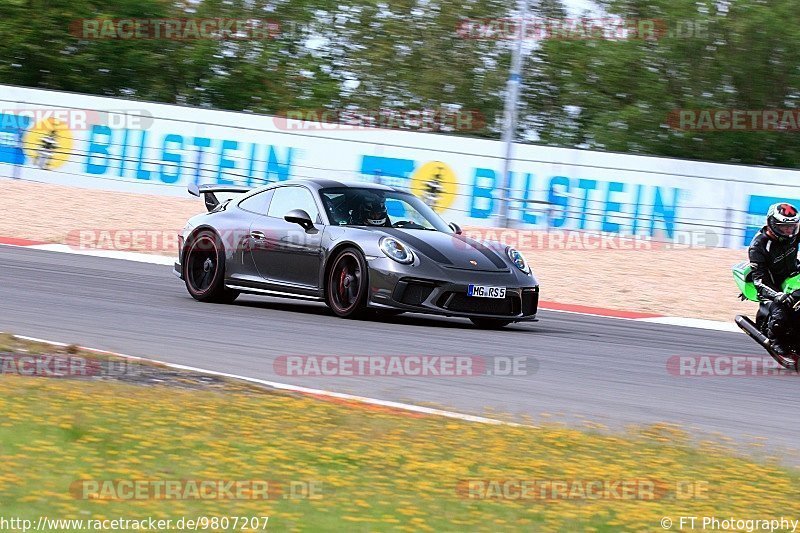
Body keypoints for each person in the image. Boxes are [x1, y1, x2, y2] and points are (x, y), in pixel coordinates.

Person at [748, 202, 800, 355]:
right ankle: (774, 339)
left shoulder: (793, 234)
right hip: (771, 286)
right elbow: (759, 281)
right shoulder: (758, 246)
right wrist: (777, 295)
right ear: (772, 224)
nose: (789, 230)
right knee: (781, 313)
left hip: (792, 273)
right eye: (785, 227)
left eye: (793, 226)